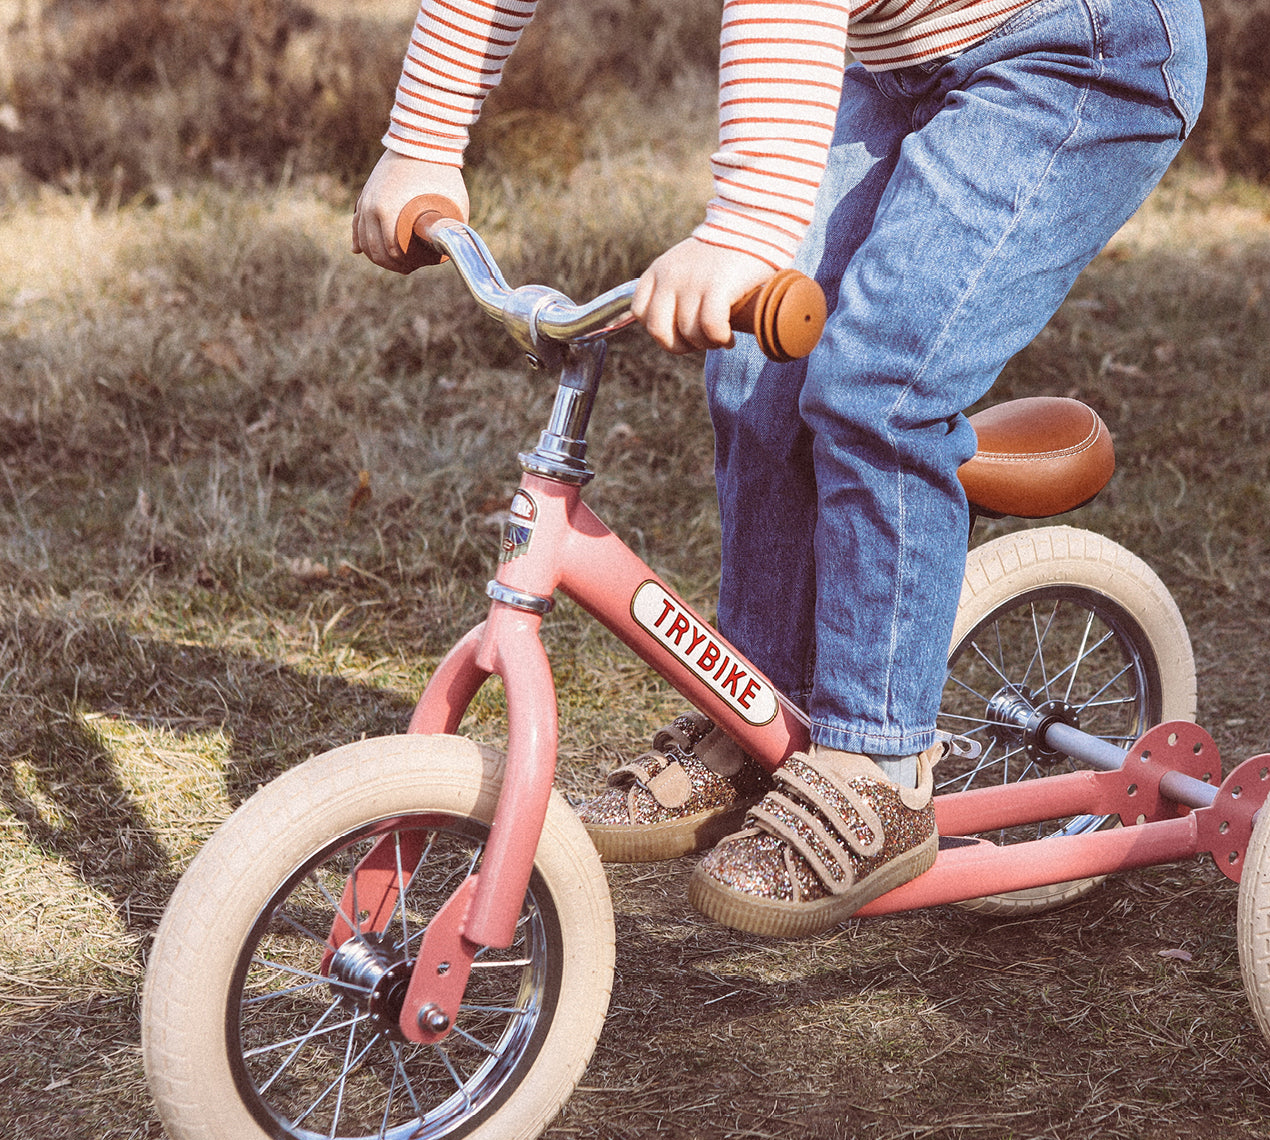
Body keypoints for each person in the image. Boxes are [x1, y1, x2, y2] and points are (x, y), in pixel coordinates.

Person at [354, 0, 1207, 939]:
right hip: (895, 58)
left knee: (876, 385)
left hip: (1070, 50)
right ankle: (765, 711)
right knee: (757, 363)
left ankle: (876, 770)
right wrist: (421, 145)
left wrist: (746, 228)